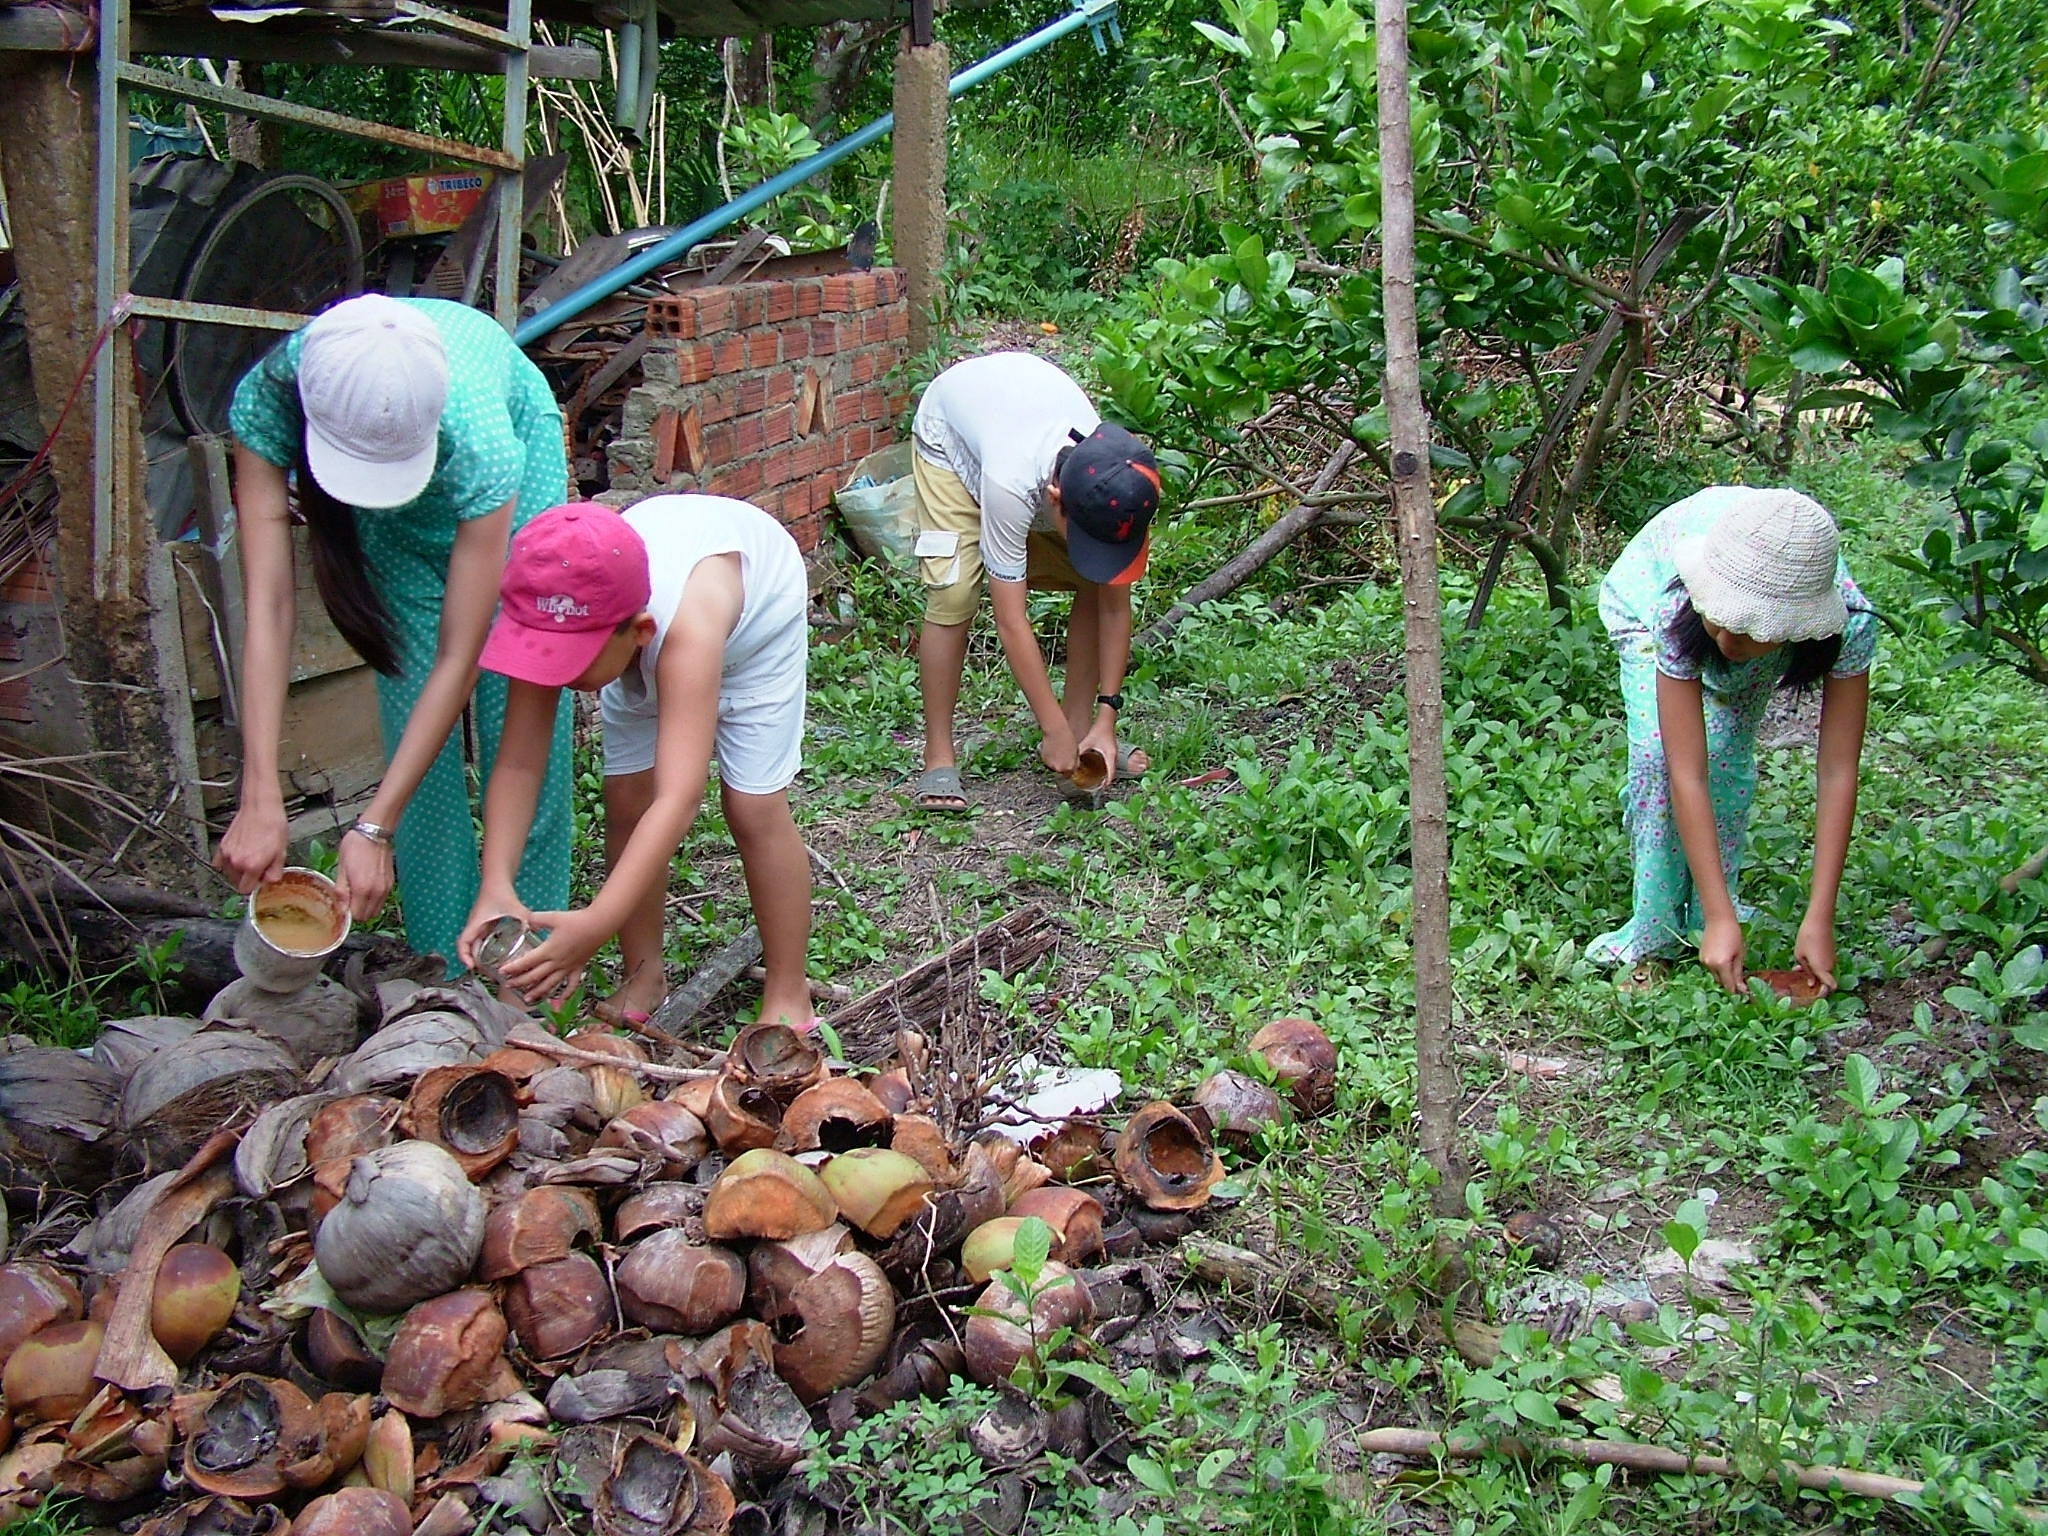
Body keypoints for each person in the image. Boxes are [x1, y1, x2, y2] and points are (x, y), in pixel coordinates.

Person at [215, 294, 574, 970]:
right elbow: (266, 606)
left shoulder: (485, 440)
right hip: (397, 521)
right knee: (412, 709)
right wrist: (259, 794)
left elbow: (462, 654)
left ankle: (528, 961)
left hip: (508, 483)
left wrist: (370, 826)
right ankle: (439, 967)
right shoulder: (270, 397)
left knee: (518, 708)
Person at [455, 498, 814, 1028]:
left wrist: (598, 920)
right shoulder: (559, 610)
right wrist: (495, 884)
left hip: (753, 620)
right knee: (626, 800)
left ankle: (789, 990)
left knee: (751, 806)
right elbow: (517, 765)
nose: (555, 675)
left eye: (570, 660)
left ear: (638, 632)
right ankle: (644, 973)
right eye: (544, 654)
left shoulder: (684, 627)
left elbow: (679, 798)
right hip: (644, 621)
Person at [1588, 486, 1877, 994]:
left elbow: (1837, 771)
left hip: (1776, 616)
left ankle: (1709, 909)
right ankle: (1655, 930)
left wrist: (1819, 915)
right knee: (1659, 757)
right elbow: (1685, 769)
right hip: (1644, 600)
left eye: (1746, 629)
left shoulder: (1848, 625)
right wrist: (1725, 920)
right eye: (1719, 621)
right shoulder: (1680, 606)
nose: (1725, 640)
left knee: (1727, 754)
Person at [907, 352, 1161, 811]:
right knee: (955, 590)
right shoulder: (1011, 483)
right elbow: (1011, 619)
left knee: (1092, 579)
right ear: (1055, 499)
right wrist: (1049, 728)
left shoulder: (1120, 477)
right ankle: (938, 757)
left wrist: (1107, 718)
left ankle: (1084, 735)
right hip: (951, 438)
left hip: (1020, 416)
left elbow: (1113, 603)